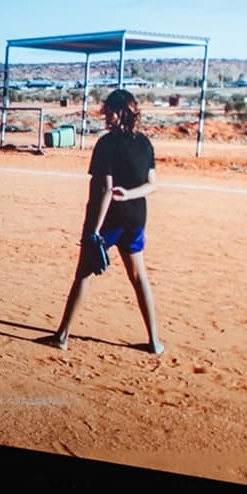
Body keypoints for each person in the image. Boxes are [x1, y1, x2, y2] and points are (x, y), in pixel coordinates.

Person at [42, 88, 164, 353]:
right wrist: (129, 194)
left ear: (121, 113)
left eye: (110, 112)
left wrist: (94, 231)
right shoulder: (145, 143)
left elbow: (105, 190)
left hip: (109, 220)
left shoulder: (107, 144)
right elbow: (152, 185)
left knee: (83, 274)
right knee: (139, 277)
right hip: (136, 218)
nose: (106, 116)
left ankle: (62, 336)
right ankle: (154, 341)